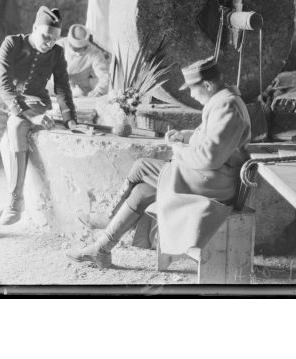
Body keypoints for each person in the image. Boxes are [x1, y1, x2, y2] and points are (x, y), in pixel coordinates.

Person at [66, 56, 251, 268]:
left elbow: (210, 157)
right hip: (211, 177)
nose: (191, 95)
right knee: (142, 191)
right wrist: (185, 136)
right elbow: (212, 140)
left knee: (141, 166)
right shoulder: (222, 101)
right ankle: (101, 250)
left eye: (192, 89)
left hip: (216, 183)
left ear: (207, 85)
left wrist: (178, 149)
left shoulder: (226, 106)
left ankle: (109, 217)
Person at [0, 6, 78, 243]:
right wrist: (30, 114)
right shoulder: (12, 43)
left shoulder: (57, 53)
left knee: (17, 129)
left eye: (54, 39)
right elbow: (3, 83)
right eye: (45, 36)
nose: (49, 43)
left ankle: (16, 201)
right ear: (34, 28)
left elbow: (62, 87)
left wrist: (70, 118)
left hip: (32, 102)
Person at [55, 24, 109, 98]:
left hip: (81, 90)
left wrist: (99, 91)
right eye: (76, 49)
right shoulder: (59, 45)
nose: (79, 52)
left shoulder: (95, 52)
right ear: (69, 43)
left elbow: (105, 76)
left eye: (82, 48)